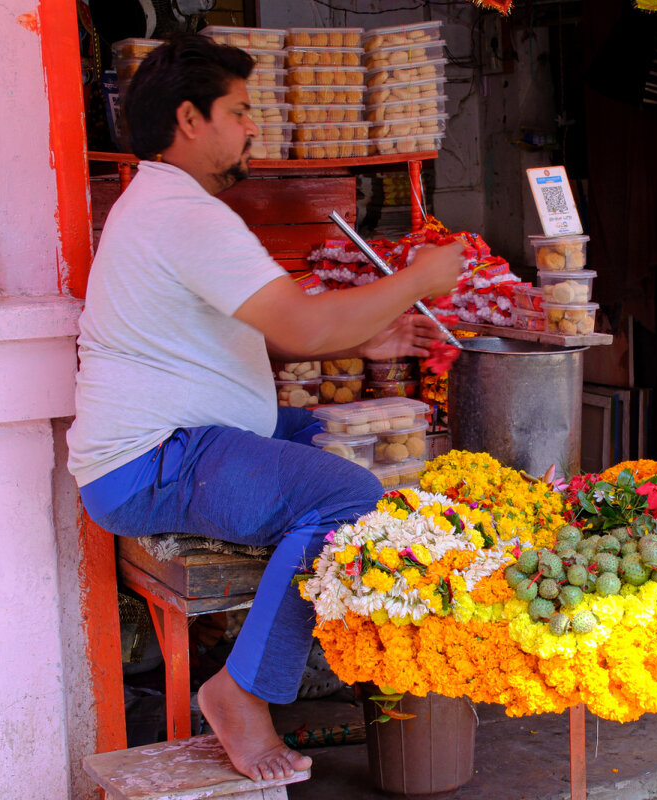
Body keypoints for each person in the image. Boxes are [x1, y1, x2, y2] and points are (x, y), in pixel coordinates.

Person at [66, 34, 462, 783]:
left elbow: (233, 344)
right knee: (347, 495)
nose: (253, 127)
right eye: (240, 111)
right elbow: (307, 325)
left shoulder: (156, 204)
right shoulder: (186, 217)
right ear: (190, 118)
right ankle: (241, 692)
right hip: (152, 462)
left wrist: (366, 338)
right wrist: (418, 276)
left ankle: (254, 664)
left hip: (181, 441)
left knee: (326, 433)